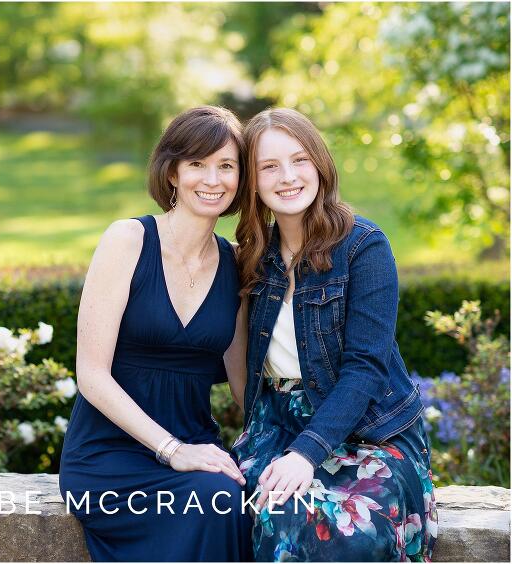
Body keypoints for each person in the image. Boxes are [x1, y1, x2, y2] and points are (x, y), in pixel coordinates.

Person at [232, 107, 438, 561]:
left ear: (321, 166)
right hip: (277, 423)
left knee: (349, 527)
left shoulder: (364, 246)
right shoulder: (252, 254)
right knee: (254, 508)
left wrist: (306, 454)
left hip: (368, 429)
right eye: (269, 166)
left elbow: (365, 368)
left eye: (299, 160)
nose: (287, 177)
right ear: (252, 181)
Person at [59, 106, 253, 562]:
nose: (213, 179)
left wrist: (305, 448)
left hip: (195, 447)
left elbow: (245, 387)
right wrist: (172, 450)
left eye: (227, 166)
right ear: (172, 173)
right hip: (108, 457)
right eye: (197, 164)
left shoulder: (236, 263)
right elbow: (91, 374)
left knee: (232, 500)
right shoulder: (127, 241)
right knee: (214, 502)